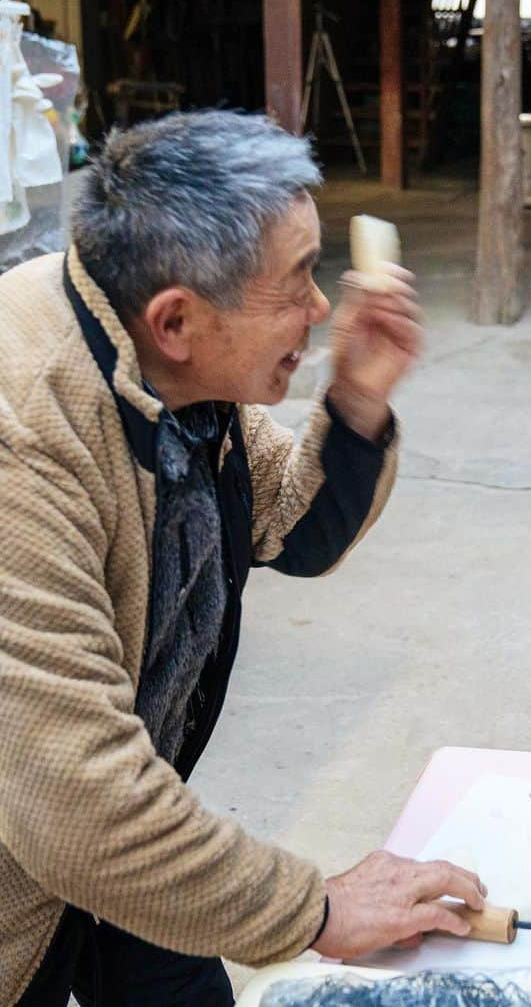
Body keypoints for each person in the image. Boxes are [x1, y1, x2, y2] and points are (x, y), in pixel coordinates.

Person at [2, 111, 485, 1006]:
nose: (322, 308)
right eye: (298, 282)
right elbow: (73, 801)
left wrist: (356, 401)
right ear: (178, 318)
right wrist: (319, 909)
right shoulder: (25, 435)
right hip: (39, 858)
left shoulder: (160, 367)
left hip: (122, 836)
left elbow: (290, 527)